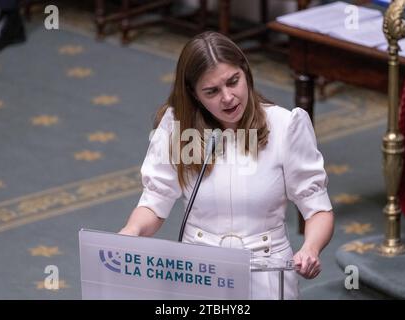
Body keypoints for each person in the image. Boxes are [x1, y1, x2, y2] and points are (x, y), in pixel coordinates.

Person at [119, 31, 334, 299]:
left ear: (246, 72)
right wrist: (132, 231)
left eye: (234, 82)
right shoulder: (177, 128)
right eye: (212, 91)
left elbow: (318, 209)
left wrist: (311, 248)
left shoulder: (285, 126)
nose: (228, 97)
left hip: (266, 274)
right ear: (194, 94)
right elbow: (154, 202)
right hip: (199, 274)